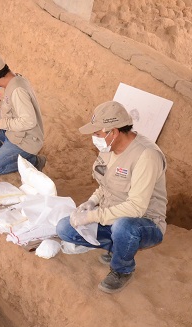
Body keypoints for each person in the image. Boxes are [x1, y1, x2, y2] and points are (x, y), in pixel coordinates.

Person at [56, 101, 167, 294]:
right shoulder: (108, 148)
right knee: (65, 228)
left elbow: (136, 208)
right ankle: (119, 247)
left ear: (113, 132)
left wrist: (92, 217)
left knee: (124, 227)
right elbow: (105, 185)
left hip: (144, 223)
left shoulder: (147, 156)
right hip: (111, 216)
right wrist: (91, 202)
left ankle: (122, 269)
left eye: (97, 133)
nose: (94, 138)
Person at [0, 52, 46, 176]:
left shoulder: (17, 90)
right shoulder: (14, 79)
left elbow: (28, 121)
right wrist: (1, 104)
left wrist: (0, 123)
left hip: (25, 141)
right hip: (14, 133)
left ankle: (34, 162)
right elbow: (14, 107)